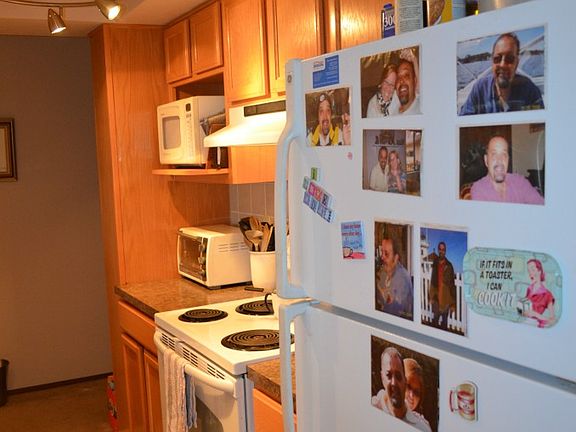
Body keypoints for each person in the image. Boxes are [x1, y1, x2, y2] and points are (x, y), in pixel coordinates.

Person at [459, 32, 544, 115]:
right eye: (497, 58)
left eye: (510, 59)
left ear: (517, 63)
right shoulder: (480, 89)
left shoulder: (530, 92)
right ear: (492, 61)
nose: (503, 65)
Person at [470, 135, 544, 204]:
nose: (499, 160)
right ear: (486, 160)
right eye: (494, 154)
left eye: (504, 154)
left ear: (508, 159)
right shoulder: (479, 189)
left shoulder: (520, 182)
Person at [371, 347, 432, 432]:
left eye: (416, 392)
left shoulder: (422, 426)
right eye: (409, 387)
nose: (411, 396)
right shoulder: (374, 406)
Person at [376, 238, 413, 319]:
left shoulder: (402, 277)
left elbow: (394, 312)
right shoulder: (383, 273)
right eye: (382, 252)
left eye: (386, 254)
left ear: (396, 258)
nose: (382, 257)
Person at [521, 258, 556, 328]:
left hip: (536, 327)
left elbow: (553, 321)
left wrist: (535, 314)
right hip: (524, 324)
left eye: (533, 270)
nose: (530, 273)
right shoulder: (529, 289)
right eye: (529, 271)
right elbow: (523, 311)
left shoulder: (547, 294)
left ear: (539, 271)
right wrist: (524, 312)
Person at [429, 241, 456, 329]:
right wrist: (431, 297)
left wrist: (453, 304)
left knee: (444, 324)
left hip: (446, 300)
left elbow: (452, 285)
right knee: (435, 323)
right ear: (438, 250)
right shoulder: (435, 263)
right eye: (440, 249)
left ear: (445, 251)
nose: (441, 251)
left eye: (443, 249)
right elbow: (432, 281)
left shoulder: (449, 266)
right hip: (436, 299)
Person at [393, 49, 420, 115]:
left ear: (415, 82)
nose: (401, 80)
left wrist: (414, 60)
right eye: (398, 77)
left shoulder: (421, 108)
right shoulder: (393, 105)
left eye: (406, 75)